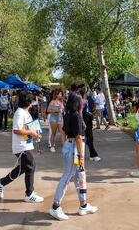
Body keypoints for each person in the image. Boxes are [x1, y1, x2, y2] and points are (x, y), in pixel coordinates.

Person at [49, 92, 98, 221]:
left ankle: (84, 205)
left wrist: (67, 145)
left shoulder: (68, 114)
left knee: (79, 177)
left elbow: (65, 131)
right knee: (67, 177)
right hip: (74, 148)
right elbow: (78, 137)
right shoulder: (75, 116)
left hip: (70, 146)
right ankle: (55, 206)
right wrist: (81, 156)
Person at [0, 91, 44, 203]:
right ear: (29, 102)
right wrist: (32, 132)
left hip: (27, 144)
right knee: (31, 166)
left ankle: (1, 182)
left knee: (24, 167)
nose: (33, 103)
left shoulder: (26, 113)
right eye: (32, 101)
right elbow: (17, 130)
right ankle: (29, 193)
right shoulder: (20, 113)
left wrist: (35, 132)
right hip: (21, 146)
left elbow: (28, 127)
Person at [79, 85, 101, 161]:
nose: (90, 92)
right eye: (88, 91)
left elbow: (86, 110)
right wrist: (83, 122)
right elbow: (80, 112)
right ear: (85, 92)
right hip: (85, 120)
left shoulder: (86, 100)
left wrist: (90, 113)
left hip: (88, 119)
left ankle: (92, 155)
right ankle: (93, 154)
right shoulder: (82, 100)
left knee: (89, 138)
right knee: (89, 137)